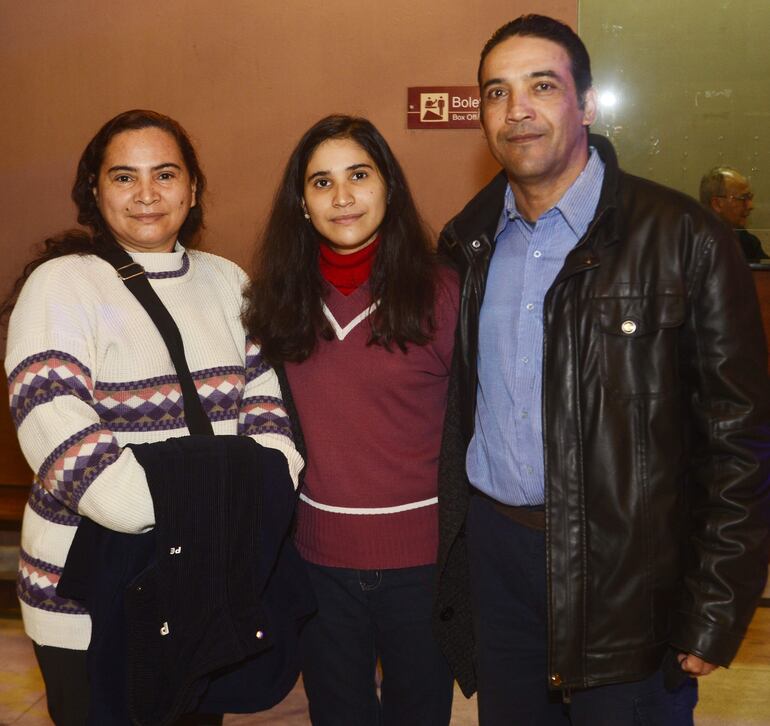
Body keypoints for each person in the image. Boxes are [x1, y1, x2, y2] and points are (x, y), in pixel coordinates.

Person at [433, 15, 770, 726]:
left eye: (542, 86)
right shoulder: (466, 244)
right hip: (499, 566)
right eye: (497, 92)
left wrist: (716, 605)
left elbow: (738, 443)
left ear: (585, 105)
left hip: (629, 577)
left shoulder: (686, 240)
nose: (516, 109)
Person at [3, 109, 302, 725]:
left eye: (165, 174)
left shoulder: (227, 282)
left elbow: (272, 419)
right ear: (95, 190)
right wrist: (227, 491)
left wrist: (235, 485)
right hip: (88, 602)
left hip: (202, 589)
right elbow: (89, 473)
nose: (146, 194)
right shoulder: (60, 286)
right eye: (123, 176)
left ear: (192, 190)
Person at [243, 114, 458, 726]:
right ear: (301, 202)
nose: (342, 197)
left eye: (358, 175)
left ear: (388, 185)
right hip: (316, 562)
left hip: (423, 565)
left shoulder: (443, 293)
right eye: (321, 182)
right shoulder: (275, 301)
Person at [699, 166, 767, 260]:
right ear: (717, 204)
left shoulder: (747, 242)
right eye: (743, 198)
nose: (750, 206)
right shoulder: (692, 243)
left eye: (750, 198)